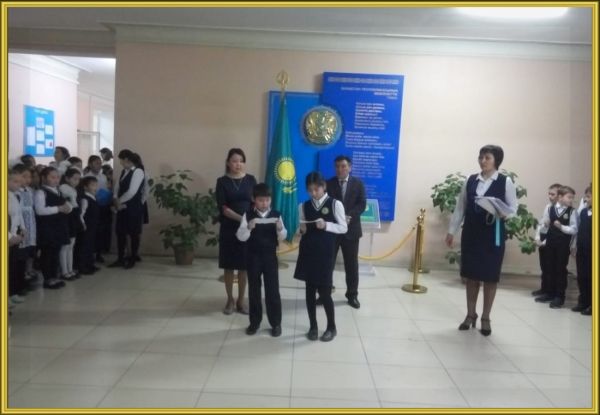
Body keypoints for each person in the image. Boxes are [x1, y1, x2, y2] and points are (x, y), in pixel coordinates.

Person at [446, 145, 517, 336]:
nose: (483, 161)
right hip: (472, 233)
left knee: (490, 277)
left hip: (493, 235)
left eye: (487, 158)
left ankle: (486, 317)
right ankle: (471, 314)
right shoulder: (471, 180)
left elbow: (513, 208)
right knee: (471, 276)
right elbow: (460, 207)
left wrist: (503, 213)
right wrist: (451, 231)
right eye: (481, 157)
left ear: (496, 161)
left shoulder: (505, 181)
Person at [294, 172, 348, 342]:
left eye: (316, 189)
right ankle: (313, 326)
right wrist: (300, 230)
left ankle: (332, 327)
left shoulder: (335, 204)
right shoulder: (303, 206)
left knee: (324, 292)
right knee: (309, 291)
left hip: (325, 253)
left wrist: (326, 225)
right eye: (310, 190)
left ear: (323, 186)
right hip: (308, 252)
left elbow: (343, 228)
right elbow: (301, 228)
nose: (313, 193)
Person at [236, 183, 287, 337]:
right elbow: (241, 237)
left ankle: (276, 323)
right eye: (260, 200)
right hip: (253, 257)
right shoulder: (248, 215)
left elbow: (283, 236)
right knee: (254, 290)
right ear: (254, 199)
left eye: (267, 200)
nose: (264, 203)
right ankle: (254, 322)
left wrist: (280, 229)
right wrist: (248, 228)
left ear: (270, 200)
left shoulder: (276, 214)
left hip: (270, 257)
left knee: (273, 290)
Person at [215, 148, 257, 315]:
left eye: (241, 161)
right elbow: (223, 207)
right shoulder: (222, 181)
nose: (238, 164)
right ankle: (229, 300)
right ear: (228, 163)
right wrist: (242, 219)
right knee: (229, 266)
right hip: (229, 228)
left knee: (243, 267)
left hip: (247, 230)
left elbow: (255, 203)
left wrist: (249, 221)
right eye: (234, 161)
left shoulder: (251, 180)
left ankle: (241, 300)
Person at [325, 155, 366, 309]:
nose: (340, 169)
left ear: (350, 167)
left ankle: (352, 295)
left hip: (351, 230)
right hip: (333, 230)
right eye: (337, 166)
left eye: (343, 166)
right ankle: (325, 293)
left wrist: (349, 216)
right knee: (328, 263)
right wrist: (337, 218)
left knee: (351, 265)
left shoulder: (358, 183)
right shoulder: (328, 183)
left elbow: (362, 204)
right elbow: (325, 204)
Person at [534, 186, 578, 309]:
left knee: (560, 269)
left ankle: (559, 296)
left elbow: (574, 229)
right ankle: (549, 293)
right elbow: (545, 225)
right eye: (569, 197)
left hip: (562, 246)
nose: (571, 200)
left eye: (572, 198)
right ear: (560, 197)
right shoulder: (551, 208)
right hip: (550, 244)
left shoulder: (571, 212)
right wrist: (541, 235)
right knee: (549, 268)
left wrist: (561, 227)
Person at [34, 166, 71, 289]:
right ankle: (48, 279)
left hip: (59, 227)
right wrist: (58, 209)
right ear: (44, 178)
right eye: (52, 177)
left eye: (57, 177)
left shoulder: (58, 191)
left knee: (55, 253)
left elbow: (66, 204)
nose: (56, 180)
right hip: (47, 228)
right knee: (47, 253)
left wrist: (68, 208)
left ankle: (54, 276)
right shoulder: (41, 192)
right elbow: (40, 210)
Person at [108, 149, 145, 269]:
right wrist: (115, 197)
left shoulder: (138, 171)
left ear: (127, 160)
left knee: (133, 233)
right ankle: (120, 258)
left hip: (133, 207)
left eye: (121, 160)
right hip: (121, 206)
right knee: (120, 233)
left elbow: (132, 191)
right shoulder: (124, 171)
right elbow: (117, 186)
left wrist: (119, 201)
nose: (120, 163)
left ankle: (132, 258)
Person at [532, 183, 562, 298]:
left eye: (553, 194)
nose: (550, 196)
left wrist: (544, 242)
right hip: (543, 237)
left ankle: (551, 292)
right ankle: (544, 289)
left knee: (551, 267)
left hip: (551, 240)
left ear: (559, 195)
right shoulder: (548, 206)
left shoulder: (560, 210)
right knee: (544, 266)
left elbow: (554, 229)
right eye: (549, 194)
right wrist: (537, 238)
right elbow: (542, 222)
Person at [13, 165, 38, 284]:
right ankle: (21, 275)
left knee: (30, 249)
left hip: (30, 223)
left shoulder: (30, 190)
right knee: (21, 252)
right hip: (21, 223)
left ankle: (29, 270)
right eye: (24, 176)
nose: (28, 180)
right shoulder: (16, 192)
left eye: (30, 177)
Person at [8, 167, 28, 306]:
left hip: (15, 235)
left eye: (19, 181)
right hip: (9, 236)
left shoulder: (15, 195)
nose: (18, 184)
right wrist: (9, 236)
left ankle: (12, 293)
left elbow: (18, 214)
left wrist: (23, 228)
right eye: (14, 181)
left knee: (13, 267)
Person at [59, 168, 84, 280]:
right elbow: (71, 204)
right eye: (74, 179)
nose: (77, 181)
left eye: (78, 179)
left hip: (73, 218)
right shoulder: (63, 188)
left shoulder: (74, 190)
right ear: (67, 178)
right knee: (65, 246)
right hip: (66, 218)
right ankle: (64, 271)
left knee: (71, 245)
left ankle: (70, 269)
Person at [84, 155, 110, 263]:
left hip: (103, 206)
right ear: (90, 164)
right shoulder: (86, 177)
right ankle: (90, 254)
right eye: (96, 163)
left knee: (101, 231)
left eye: (100, 163)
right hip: (91, 205)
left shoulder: (103, 177)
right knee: (92, 231)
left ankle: (99, 253)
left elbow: (106, 189)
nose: (99, 165)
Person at [571, 185, 592, 315]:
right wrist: (574, 245)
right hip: (582, 249)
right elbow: (578, 231)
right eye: (585, 196)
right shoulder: (584, 212)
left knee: (591, 277)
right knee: (582, 276)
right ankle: (583, 301)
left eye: (588, 197)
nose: (585, 199)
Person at [78, 176, 100, 275]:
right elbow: (81, 214)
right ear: (85, 187)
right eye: (92, 185)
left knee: (91, 245)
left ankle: (90, 264)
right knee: (85, 246)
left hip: (93, 226)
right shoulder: (85, 199)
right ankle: (82, 266)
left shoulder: (93, 197)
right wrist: (83, 224)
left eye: (96, 185)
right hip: (86, 226)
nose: (95, 187)